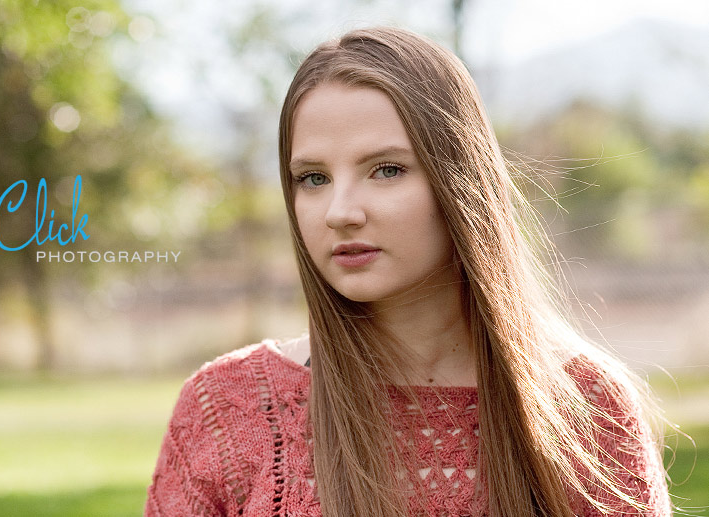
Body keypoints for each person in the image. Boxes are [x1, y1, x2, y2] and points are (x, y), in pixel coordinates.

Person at [145, 27, 671, 516]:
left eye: (387, 170)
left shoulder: (586, 409)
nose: (340, 211)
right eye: (312, 178)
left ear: (460, 183)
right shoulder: (225, 411)